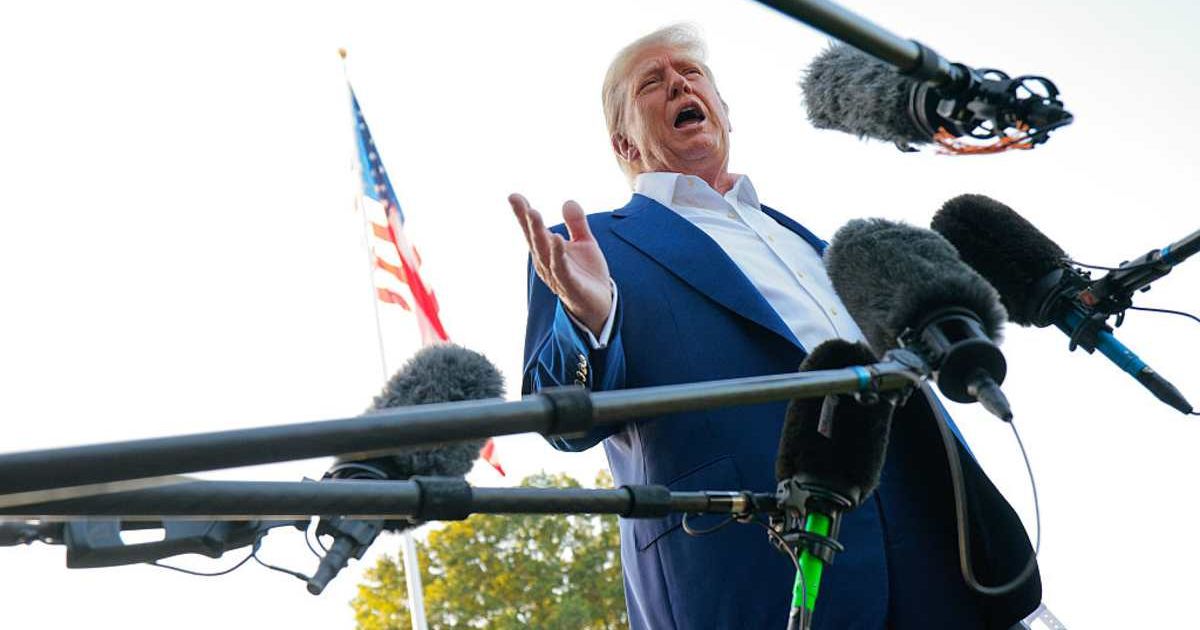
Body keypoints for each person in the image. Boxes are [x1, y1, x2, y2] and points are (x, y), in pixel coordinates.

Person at [512, 24, 1040, 629]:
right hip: (752, 557)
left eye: (691, 72)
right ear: (626, 145)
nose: (679, 83)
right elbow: (561, 420)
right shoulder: (588, 247)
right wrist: (587, 321)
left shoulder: (815, 241)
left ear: (725, 113)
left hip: (937, 544)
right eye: (651, 84)